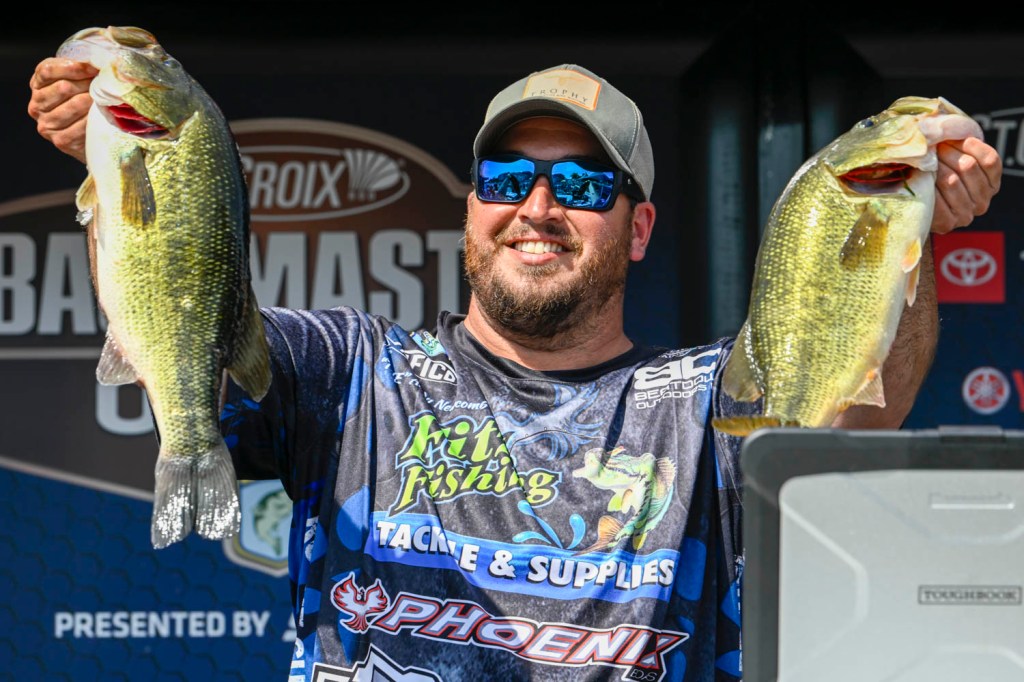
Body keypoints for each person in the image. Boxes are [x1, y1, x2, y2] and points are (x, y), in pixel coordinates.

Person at [28, 59, 1002, 681]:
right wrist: (119, 164)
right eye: (506, 178)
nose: (538, 206)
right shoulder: (352, 368)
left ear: (639, 228)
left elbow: (853, 420)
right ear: (472, 210)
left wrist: (906, 226)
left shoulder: (703, 404)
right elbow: (186, 330)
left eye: (580, 183)